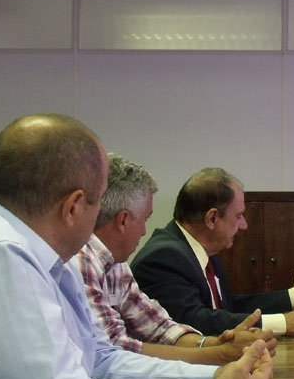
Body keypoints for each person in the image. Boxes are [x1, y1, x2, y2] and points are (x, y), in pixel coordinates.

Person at [0, 114, 274, 379]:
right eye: (99, 202)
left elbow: (101, 360)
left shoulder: (37, 252)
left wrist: (216, 378)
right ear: (74, 206)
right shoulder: (0, 254)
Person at [74, 153, 276, 365]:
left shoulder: (115, 265)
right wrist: (219, 354)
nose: (144, 231)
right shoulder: (82, 261)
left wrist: (215, 344)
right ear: (123, 220)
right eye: (146, 218)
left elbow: (159, 328)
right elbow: (112, 354)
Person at [131, 168, 294, 336]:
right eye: (238, 216)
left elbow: (226, 308)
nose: (244, 225)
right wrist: (283, 323)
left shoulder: (200, 251)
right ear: (212, 218)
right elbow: (193, 321)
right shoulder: (164, 257)